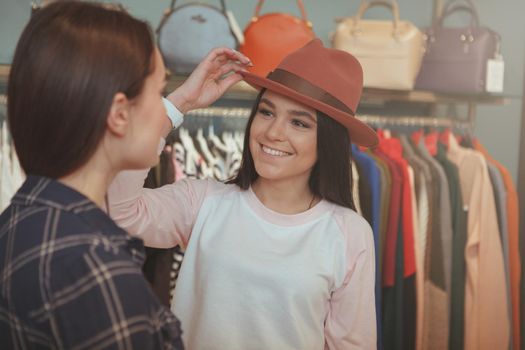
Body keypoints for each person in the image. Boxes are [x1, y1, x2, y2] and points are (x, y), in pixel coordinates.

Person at [0, 2, 250, 348]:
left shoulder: (23, 218)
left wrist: (180, 104)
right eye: (158, 90)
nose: (163, 104)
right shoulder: (95, 270)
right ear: (119, 113)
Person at [109, 38, 379, 349]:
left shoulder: (348, 233)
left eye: (299, 123)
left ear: (328, 142)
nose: (273, 132)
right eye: (266, 112)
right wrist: (178, 104)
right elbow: (118, 212)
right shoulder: (204, 201)